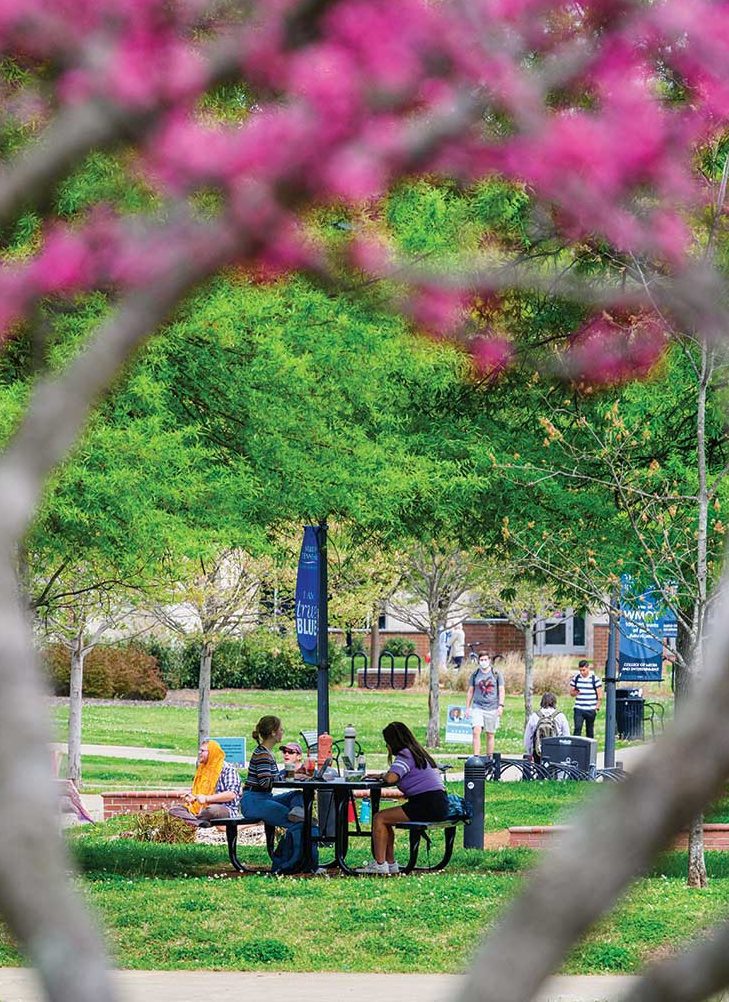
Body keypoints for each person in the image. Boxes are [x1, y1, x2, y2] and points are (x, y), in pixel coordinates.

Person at [357, 721, 448, 875]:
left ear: (393, 742)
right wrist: (380, 775)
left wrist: (383, 776)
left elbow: (391, 778)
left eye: (387, 743)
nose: (387, 747)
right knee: (386, 820)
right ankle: (390, 864)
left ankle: (380, 865)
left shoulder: (405, 754)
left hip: (426, 803)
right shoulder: (417, 752)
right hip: (438, 802)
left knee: (379, 818)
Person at [241, 715, 304, 827]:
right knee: (298, 823)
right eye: (280, 729)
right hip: (254, 802)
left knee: (297, 795)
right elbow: (265, 782)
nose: (282, 732)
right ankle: (300, 822)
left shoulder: (267, 752)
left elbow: (271, 779)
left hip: (265, 798)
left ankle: (298, 814)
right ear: (273, 733)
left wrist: (293, 776)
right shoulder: (263, 755)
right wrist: (286, 776)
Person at [168, 739, 243, 826]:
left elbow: (231, 794)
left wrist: (207, 799)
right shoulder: (202, 769)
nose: (199, 753)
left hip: (224, 808)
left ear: (212, 752)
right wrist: (192, 798)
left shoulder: (228, 769)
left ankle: (193, 822)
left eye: (203, 751)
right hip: (199, 809)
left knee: (211, 810)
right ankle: (200, 823)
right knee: (174, 810)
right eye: (199, 750)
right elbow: (199, 795)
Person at [465, 652, 505, 757]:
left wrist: (501, 705)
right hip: (478, 706)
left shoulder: (496, 674)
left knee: (490, 734)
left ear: (489, 660)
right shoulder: (475, 674)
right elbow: (470, 691)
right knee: (476, 731)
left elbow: (501, 690)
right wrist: (467, 707)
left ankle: (489, 757)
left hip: (492, 707)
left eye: (485, 660)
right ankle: (476, 756)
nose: (483, 662)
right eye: (481, 660)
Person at [524, 692, 570, 762]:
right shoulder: (560, 716)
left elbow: (528, 738)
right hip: (556, 752)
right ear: (554, 702)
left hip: (538, 752)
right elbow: (566, 736)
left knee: (540, 771)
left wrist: (529, 753)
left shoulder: (534, 716)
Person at [570, 659, 602, 738]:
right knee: (577, 729)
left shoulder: (595, 679)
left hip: (590, 709)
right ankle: (576, 747)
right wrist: (575, 692)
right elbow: (571, 693)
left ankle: (590, 748)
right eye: (580, 670)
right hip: (579, 708)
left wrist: (597, 707)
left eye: (583, 670)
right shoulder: (576, 678)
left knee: (589, 730)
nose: (582, 672)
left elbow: (600, 695)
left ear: (588, 668)